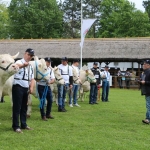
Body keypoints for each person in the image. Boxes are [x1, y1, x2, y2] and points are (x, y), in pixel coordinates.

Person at [12, 48, 35, 133]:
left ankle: (23, 124)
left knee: (24, 107)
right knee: (17, 107)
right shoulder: (19, 62)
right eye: (28, 55)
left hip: (26, 87)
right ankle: (16, 126)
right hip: (18, 86)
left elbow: (32, 78)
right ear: (25, 54)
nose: (29, 57)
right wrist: (23, 66)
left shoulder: (31, 66)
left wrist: (31, 87)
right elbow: (14, 67)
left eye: (31, 56)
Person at [139, 60, 150, 124]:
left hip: (149, 91)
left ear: (148, 65)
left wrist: (145, 82)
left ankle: (148, 119)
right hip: (146, 91)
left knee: (148, 105)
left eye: (145, 64)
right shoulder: (144, 73)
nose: (143, 65)